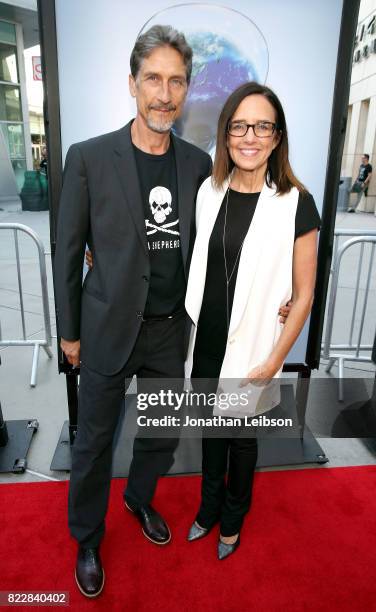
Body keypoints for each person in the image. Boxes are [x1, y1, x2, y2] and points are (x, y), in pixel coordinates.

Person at [54, 25, 213, 598]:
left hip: (171, 331)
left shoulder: (200, 165)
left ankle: (139, 499)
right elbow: (69, 251)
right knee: (94, 441)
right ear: (132, 83)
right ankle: (88, 538)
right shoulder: (90, 158)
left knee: (160, 437)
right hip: (104, 327)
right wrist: (68, 331)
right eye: (153, 79)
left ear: (186, 90)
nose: (163, 94)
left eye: (175, 81)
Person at [184, 82, 321, 560]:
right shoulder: (208, 190)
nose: (250, 136)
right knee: (210, 431)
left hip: (258, 348)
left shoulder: (296, 203)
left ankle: (232, 522)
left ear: (277, 137)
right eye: (240, 125)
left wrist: (274, 360)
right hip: (207, 341)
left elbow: (303, 295)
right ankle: (207, 508)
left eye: (263, 126)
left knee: (242, 440)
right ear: (225, 135)